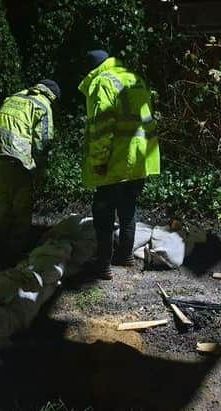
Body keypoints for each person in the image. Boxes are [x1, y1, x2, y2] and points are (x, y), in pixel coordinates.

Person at [78, 50, 160, 280]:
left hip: (116, 159)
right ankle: (125, 255)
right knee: (128, 207)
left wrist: (99, 161)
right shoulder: (134, 78)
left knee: (103, 212)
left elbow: (101, 128)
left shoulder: (102, 82)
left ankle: (103, 265)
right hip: (140, 158)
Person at [0, 79, 61, 263]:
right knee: (21, 207)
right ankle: (14, 256)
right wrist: (40, 170)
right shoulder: (43, 105)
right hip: (16, 158)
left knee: (3, 203)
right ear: (52, 95)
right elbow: (43, 142)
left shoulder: (15, 96)